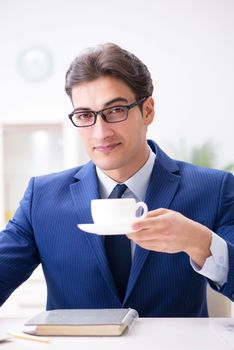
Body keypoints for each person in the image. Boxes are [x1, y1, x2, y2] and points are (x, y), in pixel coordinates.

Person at [0, 43, 234, 317]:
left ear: (147, 111)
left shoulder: (213, 189)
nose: (100, 133)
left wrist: (200, 242)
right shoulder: (42, 197)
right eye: (85, 115)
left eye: (115, 111)